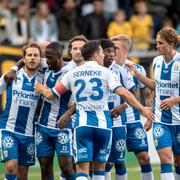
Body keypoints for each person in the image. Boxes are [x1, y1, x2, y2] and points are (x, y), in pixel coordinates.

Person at [35, 40, 154, 180]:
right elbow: (124, 93)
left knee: (82, 170)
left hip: (82, 125)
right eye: (102, 52)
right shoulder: (106, 73)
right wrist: (142, 109)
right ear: (96, 54)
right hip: (103, 126)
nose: (104, 55)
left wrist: (43, 89)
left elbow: (51, 94)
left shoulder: (72, 73)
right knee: (99, 170)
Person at [125, 27, 180, 180]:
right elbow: (157, 85)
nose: (156, 46)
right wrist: (137, 75)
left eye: (160, 43)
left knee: (178, 161)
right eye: (156, 43)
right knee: (165, 159)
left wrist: (175, 100)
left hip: (178, 120)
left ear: (171, 43)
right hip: (161, 120)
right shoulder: (156, 62)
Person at [111, 34, 154, 180]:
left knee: (145, 158)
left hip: (133, 121)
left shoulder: (137, 69)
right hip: (115, 121)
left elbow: (148, 94)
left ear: (125, 49)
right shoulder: (107, 69)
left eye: (115, 48)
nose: (111, 51)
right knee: (118, 162)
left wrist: (149, 117)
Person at [0, 43, 43, 180]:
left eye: (35, 55)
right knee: (12, 166)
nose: (32, 58)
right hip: (9, 129)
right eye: (29, 55)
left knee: (23, 174)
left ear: (40, 59)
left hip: (29, 133)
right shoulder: (12, 75)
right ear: (23, 59)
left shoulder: (43, 79)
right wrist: (13, 68)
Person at [35, 42, 76, 180]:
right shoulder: (47, 69)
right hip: (43, 127)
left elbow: (79, 100)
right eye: (45, 57)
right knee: (45, 167)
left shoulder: (69, 74)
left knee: (67, 168)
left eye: (49, 57)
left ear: (59, 57)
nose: (46, 60)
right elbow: (26, 58)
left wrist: (43, 90)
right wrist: (14, 68)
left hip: (62, 126)